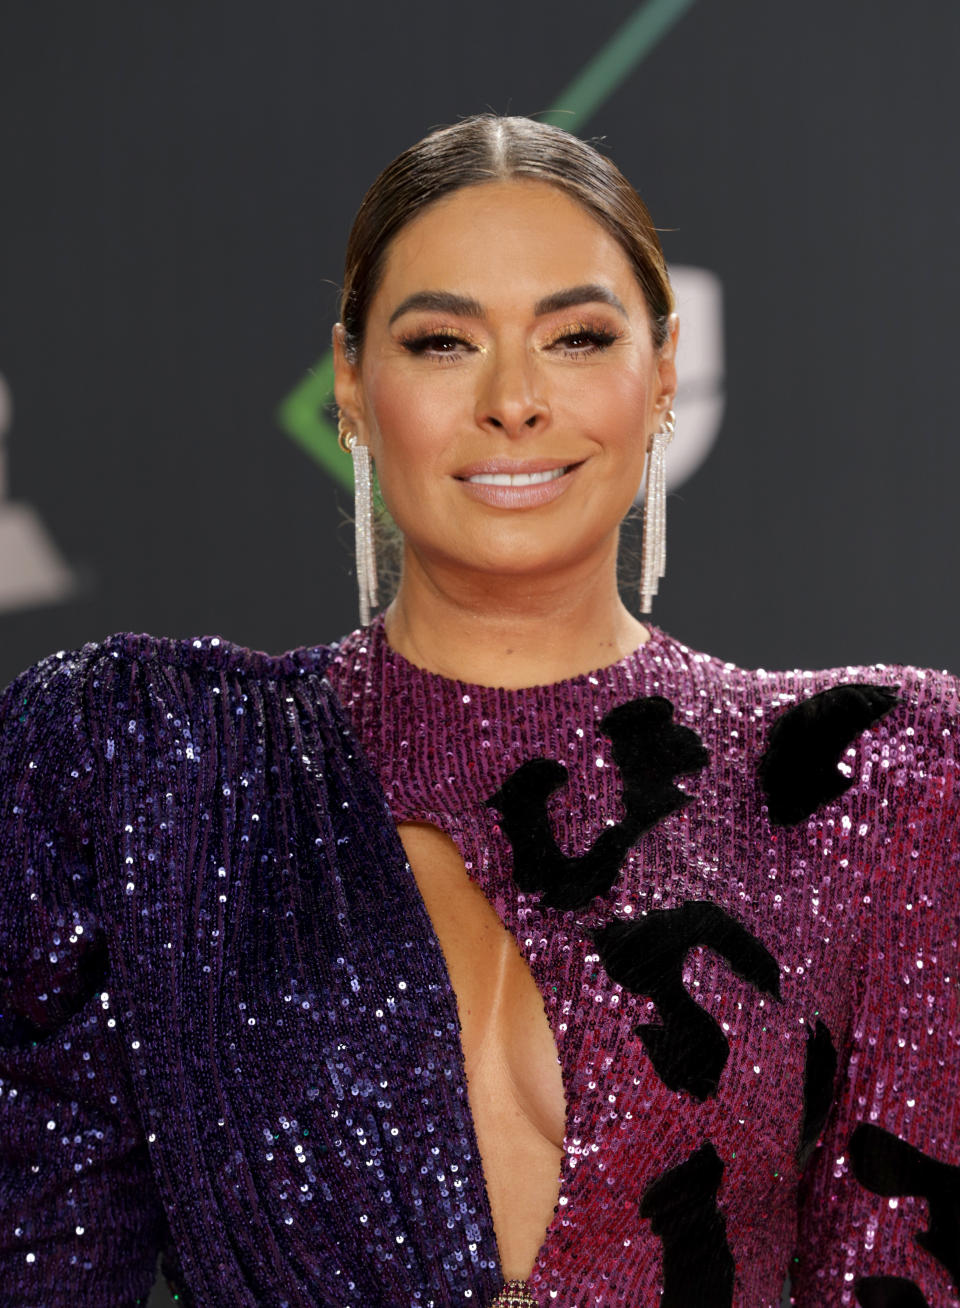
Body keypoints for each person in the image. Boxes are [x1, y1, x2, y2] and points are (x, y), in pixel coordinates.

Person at [0, 114, 957, 1308]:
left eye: (576, 337)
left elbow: (907, 1271)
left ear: (663, 372)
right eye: (445, 341)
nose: (515, 400)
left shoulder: (872, 783)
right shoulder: (149, 769)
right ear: (351, 382)